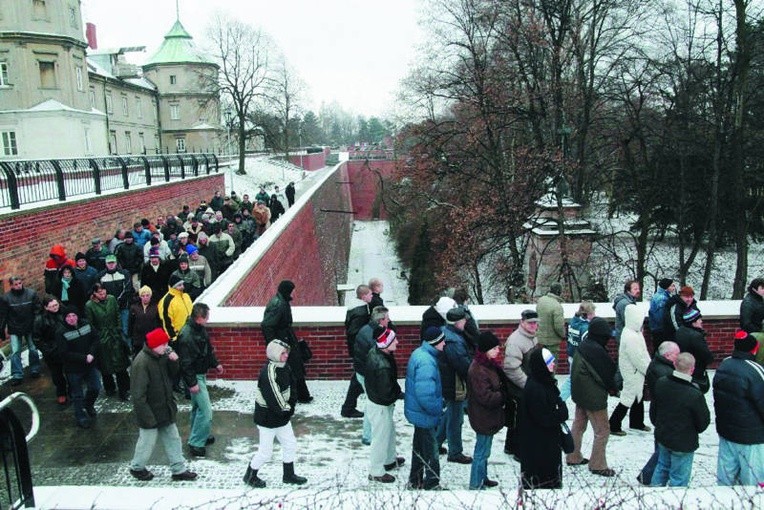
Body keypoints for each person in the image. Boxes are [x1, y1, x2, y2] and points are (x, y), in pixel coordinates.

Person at [129, 328, 198, 482]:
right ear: (154, 345)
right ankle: (137, 467)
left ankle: (178, 469)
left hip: (165, 408)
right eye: (163, 344)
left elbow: (172, 374)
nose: (166, 346)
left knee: (173, 439)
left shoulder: (161, 355)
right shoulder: (141, 363)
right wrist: (148, 419)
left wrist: (174, 360)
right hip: (150, 412)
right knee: (147, 443)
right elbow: (138, 396)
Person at [243, 339, 307, 487]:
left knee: (290, 444)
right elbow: (273, 397)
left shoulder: (285, 367)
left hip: (282, 417)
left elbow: (293, 387)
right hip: (267, 419)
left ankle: (288, 474)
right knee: (265, 452)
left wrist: (290, 406)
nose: (286, 356)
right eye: (283, 353)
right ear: (274, 354)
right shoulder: (268, 372)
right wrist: (286, 409)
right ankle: (250, 474)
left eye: (286, 353)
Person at [565, 317, 619, 477]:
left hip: (580, 394)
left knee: (579, 425)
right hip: (593, 398)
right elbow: (607, 375)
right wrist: (614, 389)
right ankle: (598, 465)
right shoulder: (596, 352)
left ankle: (573, 456)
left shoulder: (584, 346)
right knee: (602, 431)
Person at [650, 352, 710, 487]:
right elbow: (703, 423)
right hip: (683, 442)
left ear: (674, 364)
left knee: (661, 467)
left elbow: (654, 410)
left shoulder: (661, 383)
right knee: (679, 477)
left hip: (663, 435)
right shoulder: (694, 394)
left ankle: (653, 498)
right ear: (692, 369)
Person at [712, 330, 764, 486]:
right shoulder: (755, 371)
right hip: (751, 437)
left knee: (725, 480)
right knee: (752, 483)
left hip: (727, 433)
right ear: (754, 349)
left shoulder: (724, 364)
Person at [176, 303, 224, 458]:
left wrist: (215, 363)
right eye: (206, 317)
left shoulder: (197, 330)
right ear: (199, 318)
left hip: (199, 374)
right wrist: (192, 383)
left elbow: (207, 350)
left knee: (198, 409)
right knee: (206, 411)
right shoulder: (187, 335)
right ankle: (196, 442)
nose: (208, 320)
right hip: (196, 376)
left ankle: (199, 435)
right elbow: (185, 363)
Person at [519, 348, 568, 489]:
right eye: (549, 362)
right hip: (539, 447)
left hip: (546, 443)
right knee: (542, 484)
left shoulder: (544, 382)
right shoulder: (536, 388)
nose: (553, 364)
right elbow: (543, 418)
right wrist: (562, 414)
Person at [405, 327, 446, 490]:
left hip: (418, 413)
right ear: (435, 343)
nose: (445, 343)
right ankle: (432, 483)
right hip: (425, 415)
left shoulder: (420, 354)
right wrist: (437, 409)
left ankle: (415, 481)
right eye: (442, 340)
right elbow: (425, 395)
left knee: (419, 449)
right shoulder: (427, 362)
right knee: (431, 452)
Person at [261, 280, 312, 403]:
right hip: (283, 341)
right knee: (292, 368)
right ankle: (299, 395)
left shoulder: (281, 302)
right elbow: (267, 325)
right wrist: (274, 345)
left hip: (286, 339)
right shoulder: (279, 304)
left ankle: (300, 395)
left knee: (293, 368)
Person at [638, 341, 681, 485]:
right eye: (677, 354)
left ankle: (650, 475)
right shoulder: (665, 372)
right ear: (668, 355)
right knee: (662, 450)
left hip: (658, 412)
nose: (679, 357)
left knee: (661, 448)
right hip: (663, 414)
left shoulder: (658, 365)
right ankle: (649, 475)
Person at [467, 332, 505, 490]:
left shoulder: (487, 365)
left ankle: (482, 477)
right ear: (486, 349)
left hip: (486, 416)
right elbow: (486, 397)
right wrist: (503, 395)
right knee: (481, 451)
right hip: (482, 416)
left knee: (485, 450)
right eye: (495, 348)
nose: (498, 350)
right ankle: (476, 483)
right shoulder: (478, 370)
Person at [365, 326, 404, 483]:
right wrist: (399, 394)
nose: (398, 342)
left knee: (388, 432)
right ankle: (376, 471)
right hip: (380, 405)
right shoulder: (382, 365)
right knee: (380, 437)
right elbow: (386, 393)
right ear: (385, 343)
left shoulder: (377, 352)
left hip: (377, 401)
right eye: (394, 339)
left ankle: (388, 460)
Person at [436, 306, 473, 464]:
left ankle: (436, 443)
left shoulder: (447, 332)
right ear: (458, 322)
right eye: (464, 319)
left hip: (448, 380)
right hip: (454, 382)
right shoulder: (455, 340)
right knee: (456, 418)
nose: (466, 321)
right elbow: (462, 365)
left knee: (450, 413)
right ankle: (455, 452)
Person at [502, 309, 539, 459]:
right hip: (518, 386)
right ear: (522, 322)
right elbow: (511, 368)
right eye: (530, 323)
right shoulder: (515, 341)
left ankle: (510, 446)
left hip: (528, 383)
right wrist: (528, 385)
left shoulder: (533, 337)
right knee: (522, 419)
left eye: (535, 323)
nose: (533, 326)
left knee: (518, 418)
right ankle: (518, 450)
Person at [609, 304, 651, 436]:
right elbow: (637, 358)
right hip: (632, 371)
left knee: (638, 395)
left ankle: (637, 422)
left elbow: (643, 353)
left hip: (635, 370)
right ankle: (613, 424)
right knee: (628, 396)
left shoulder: (634, 332)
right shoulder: (631, 336)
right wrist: (648, 369)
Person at [85, 283, 131, 401]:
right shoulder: (90, 306)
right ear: (94, 294)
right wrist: (99, 336)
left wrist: (118, 329)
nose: (102, 294)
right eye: (99, 293)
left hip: (115, 336)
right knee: (105, 365)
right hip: (102, 338)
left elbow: (117, 315)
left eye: (104, 292)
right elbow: (91, 324)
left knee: (120, 363)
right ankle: (109, 387)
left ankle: (124, 389)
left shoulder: (111, 299)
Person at [56, 307, 100, 428]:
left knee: (95, 387)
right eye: (68, 317)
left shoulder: (86, 324)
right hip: (73, 369)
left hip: (90, 365)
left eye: (73, 316)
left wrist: (91, 353)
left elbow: (96, 338)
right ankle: (80, 417)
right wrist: (83, 357)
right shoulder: (61, 332)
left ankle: (88, 404)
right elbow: (64, 353)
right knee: (77, 394)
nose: (71, 319)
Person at [353, 306, 391, 444]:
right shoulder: (375, 335)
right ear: (381, 320)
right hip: (369, 375)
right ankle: (369, 436)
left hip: (362, 372)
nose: (389, 320)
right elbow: (377, 359)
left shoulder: (365, 330)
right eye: (387, 318)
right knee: (373, 405)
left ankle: (369, 434)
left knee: (371, 404)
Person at [0, 276, 42, 385]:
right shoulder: (6, 298)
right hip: (15, 328)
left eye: (20, 283)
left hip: (29, 325)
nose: (18, 286)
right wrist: (2, 330)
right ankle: (17, 374)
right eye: (16, 284)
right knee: (15, 351)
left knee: (32, 348)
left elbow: (37, 310)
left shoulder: (31, 294)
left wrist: (37, 325)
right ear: (11, 285)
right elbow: (3, 315)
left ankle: (35, 369)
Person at [340, 284, 373, 419]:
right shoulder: (361, 312)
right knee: (358, 379)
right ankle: (348, 408)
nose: (372, 296)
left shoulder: (355, 309)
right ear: (364, 296)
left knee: (358, 379)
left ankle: (348, 407)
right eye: (370, 294)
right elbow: (354, 332)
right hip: (360, 351)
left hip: (357, 350)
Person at [33, 296, 68, 404]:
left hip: (66, 347)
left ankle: (73, 391)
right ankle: (61, 393)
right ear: (46, 307)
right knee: (57, 374)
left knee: (71, 372)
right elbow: (37, 338)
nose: (55, 308)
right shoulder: (40, 319)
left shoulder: (64, 312)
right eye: (52, 306)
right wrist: (47, 350)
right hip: (52, 351)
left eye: (56, 305)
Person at [560, 302, 595, 401]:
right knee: (574, 381)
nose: (595, 315)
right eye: (592, 313)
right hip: (580, 358)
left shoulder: (573, 322)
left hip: (571, 354)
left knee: (573, 380)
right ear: (587, 315)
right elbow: (588, 346)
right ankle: (559, 399)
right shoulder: (585, 329)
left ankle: (559, 399)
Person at [675, 308, 714, 393]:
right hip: (696, 372)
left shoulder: (680, 331)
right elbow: (707, 356)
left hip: (683, 368)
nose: (701, 321)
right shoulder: (696, 336)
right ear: (693, 322)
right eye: (699, 319)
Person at [96, 254, 134, 337]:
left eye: (113, 262)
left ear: (116, 263)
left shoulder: (124, 274)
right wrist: (110, 303)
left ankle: (128, 349)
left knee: (125, 329)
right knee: (113, 331)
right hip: (108, 308)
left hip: (124, 306)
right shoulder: (101, 276)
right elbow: (100, 291)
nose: (111, 265)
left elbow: (128, 289)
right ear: (106, 264)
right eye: (109, 263)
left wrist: (118, 301)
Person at [157, 274, 193, 342]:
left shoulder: (186, 296)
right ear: (173, 287)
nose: (182, 287)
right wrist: (173, 338)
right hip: (178, 337)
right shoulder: (167, 301)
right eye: (179, 285)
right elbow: (166, 322)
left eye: (182, 284)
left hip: (190, 334)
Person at [128, 286, 161, 356]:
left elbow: (159, 323)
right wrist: (131, 337)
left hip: (152, 338)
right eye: (143, 296)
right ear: (140, 296)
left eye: (147, 295)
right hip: (138, 339)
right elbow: (130, 323)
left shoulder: (156, 307)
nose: (145, 298)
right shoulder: (134, 307)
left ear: (150, 296)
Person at [536, 283, 565, 357]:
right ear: (559, 292)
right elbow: (559, 327)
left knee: (541, 363)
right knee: (550, 366)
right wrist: (564, 335)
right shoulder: (557, 306)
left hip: (540, 339)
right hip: (552, 342)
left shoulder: (541, 300)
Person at [740, 278, 764, 365]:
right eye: (762, 288)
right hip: (754, 335)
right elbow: (745, 323)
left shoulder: (760, 299)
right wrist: (759, 330)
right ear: (754, 288)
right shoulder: (748, 303)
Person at [648, 278, 675, 349]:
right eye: (672, 286)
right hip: (660, 330)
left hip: (657, 329)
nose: (674, 288)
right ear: (666, 287)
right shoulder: (662, 299)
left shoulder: (658, 295)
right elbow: (661, 317)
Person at [613, 279, 640, 344]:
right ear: (628, 291)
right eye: (635, 289)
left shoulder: (630, 302)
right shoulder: (625, 304)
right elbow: (629, 323)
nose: (638, 291)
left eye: (638, 289)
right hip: (626, 339)